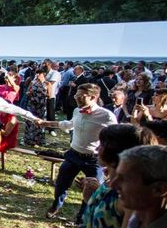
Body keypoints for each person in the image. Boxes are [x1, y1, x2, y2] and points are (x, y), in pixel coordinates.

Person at [41, 84, 118, 220]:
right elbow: (70, 124)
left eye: (80, 96)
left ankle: (82, 217)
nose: (76, 98)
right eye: (76, 95)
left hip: (93, 159)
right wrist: (48, 123)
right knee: (61, 183)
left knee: (91, 189)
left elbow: (116, 136)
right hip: (73, 154)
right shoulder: (77, 111)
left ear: (93, 97)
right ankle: (56, 206)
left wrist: (109, 159)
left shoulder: (106, 116)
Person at [23, 69, 48, 146]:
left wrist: (42, 94)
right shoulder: (33, 82)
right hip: (32, 104)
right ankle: (29, 139)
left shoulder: (47, 83)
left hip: (41, 105)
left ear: (43, 75)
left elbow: (50, 95)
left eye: (39, 74)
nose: (37, 75)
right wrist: (29, 93)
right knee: (30, 120)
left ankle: (39, 140)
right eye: (37, 74)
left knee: (40, 121)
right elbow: (27, 91)